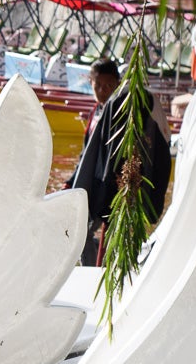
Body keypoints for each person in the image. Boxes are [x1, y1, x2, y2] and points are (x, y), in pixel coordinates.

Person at [68, 57, 171, 264]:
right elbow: (87, 154)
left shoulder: (129, 110)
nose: (103, 91)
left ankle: (103, 266)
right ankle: (94, 265)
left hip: (114, 189)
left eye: (108, 86)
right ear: (91, 83)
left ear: (117, 83)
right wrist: (71, 182)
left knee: (106, 230)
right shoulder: (96, 113)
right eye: (98, 85)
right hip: (96, 186)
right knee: (78, 230)